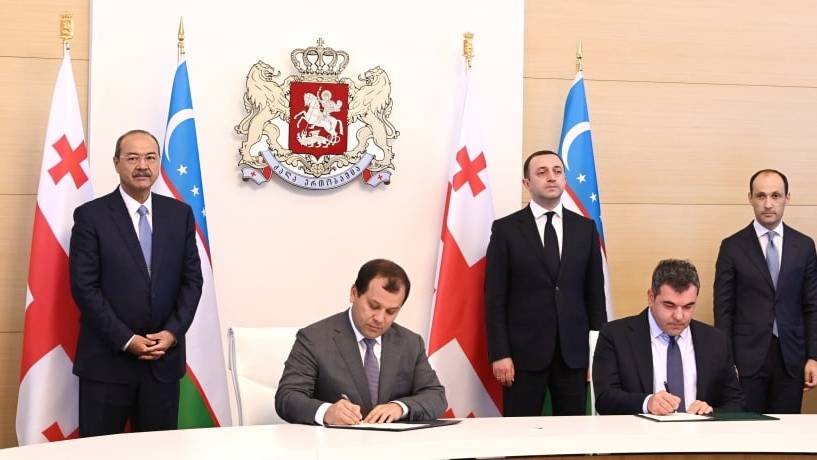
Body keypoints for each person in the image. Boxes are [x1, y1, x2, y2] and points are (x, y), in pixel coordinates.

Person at [69, 129, 202, 436]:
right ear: (116, 163)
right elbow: (84, 288)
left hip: (162, 364)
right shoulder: (91, 216)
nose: (142, 165)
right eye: (132, 158)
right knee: (99, 454)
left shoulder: (180, 214)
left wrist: (172, 333)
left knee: (158, 453)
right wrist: (127, 340)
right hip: (107, 364)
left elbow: (192, 281)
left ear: (158, 164)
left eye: (150, 158)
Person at [485, 150, 606, 416]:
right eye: (542, 172)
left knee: (573, 433)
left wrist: (597, 354)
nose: (551, 177)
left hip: (574, 355)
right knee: (520, 433)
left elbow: (595, 297)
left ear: (565, 180)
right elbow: (495, 298)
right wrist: (500, 353)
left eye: (557, 171)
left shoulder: (585, 229)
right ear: (527, 183)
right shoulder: (506, 230)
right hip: (522, 356)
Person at [275, 259, 447, 425]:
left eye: (391, 311)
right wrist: (326, 412)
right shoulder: (314, 338)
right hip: (336, 442)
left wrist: (400, 407)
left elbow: (436, 396)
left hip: (392, 444)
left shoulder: (410, 343)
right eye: (373, 306)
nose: (380, 318)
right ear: (354, 293)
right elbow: (287, 397)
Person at [714, 169, 817, 413]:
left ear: (787, 198)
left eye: (775, 195)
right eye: (761, 196)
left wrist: (813, 356)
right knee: (747, 430)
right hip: (746, 361)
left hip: (792, 359)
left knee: (786, 431)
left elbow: (812, 305)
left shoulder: (804, 246)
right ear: (750, 198)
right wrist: (727, 361)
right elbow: (723, 310)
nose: (768, 204)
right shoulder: (732, 247)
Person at [593, 259, 745, 415]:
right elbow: (604, 399)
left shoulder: (716, 340)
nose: (679, 316)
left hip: (699, 430)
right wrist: (647, 403)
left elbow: (736, 403)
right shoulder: (615, 336)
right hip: (640, 429)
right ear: (651, 297)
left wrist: (711, 411)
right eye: (669, 305)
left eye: (688, 306)